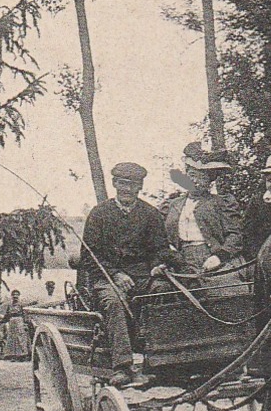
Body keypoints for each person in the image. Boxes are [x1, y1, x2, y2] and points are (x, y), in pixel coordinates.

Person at [79, 161, 179, 388]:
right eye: (122, 184)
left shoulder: (150, 214)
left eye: (132, 185)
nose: (127, 189)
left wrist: (157, 265)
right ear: (115, 184)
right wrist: (115, 274)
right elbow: (89, 256)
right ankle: (122, 366)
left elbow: (160, 249)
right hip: (107, 277)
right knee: (114, 302)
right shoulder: (99, 214)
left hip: (144, 276)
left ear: (139, 187)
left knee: (163, 291)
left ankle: (156, 360)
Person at [162, 143, 241, 272]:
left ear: (210, 182)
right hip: (179, 261)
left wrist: (220, 256)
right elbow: (160, 236)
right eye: (192, 175)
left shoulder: (222, 203)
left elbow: (235, 235)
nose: (195, 181)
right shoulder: (172, 204)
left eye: (202, 178)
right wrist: (169, 252)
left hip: (211, 257)